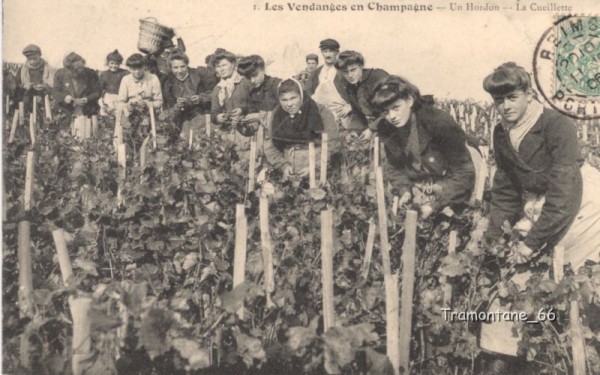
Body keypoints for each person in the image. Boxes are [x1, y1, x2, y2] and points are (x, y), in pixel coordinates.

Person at [478, 62, 600, 374]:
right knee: (515, 281)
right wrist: (494, 241)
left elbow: (565, 191)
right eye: (498, 101)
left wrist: (533, 242)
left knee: (576, 284)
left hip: (584, 205)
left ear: (529, 94)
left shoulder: (555, 124)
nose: (504, 107)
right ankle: (505, 356)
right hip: (541, 204)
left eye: (512, 98)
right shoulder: (501, 134)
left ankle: (576, 356)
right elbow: (505, 190)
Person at [368, 75, 477, 218]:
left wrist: (434, 205)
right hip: (424, 183)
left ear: (409, 100)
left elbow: (463, 173)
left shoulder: (439, 122)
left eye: (396, 108)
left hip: (457, 182)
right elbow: (394, 168)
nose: (392, 116)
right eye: (386, 112)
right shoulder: (387, 128)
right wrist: (404, 190)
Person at [264, 78, 339, 180]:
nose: (289, 104)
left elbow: (332, 144)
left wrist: (314, 167)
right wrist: (283, 166)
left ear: (301, 96)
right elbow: (270, 146)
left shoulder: (321, 112)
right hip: (289, 168)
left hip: (318, 168)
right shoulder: (276, 115)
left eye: (293, 98)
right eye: (284, 100)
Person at [305, 39, 360, 131]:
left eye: (331, 51)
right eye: (325, 51)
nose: (328, 54)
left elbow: (359, 90)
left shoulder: (344, 70)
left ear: (337, 52)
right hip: (321, 112)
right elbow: (307, 90)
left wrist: (351, 106)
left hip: (341, 114)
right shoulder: (317, 72)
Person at [161, 52, 218, 140]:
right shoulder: (168, 84)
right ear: (170, 68)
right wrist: (177, 107)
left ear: (187, 64)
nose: (179, 71)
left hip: (204, 115)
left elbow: (215, 93)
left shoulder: (200, 74)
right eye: (175, 67)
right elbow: (167, 110)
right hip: (183, 120)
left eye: (182, 66)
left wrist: (201, 98)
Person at [334, 50, 389, 133]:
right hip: (372, 127)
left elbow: (390, 110)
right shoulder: (350, 87)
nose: (350, 75)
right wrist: (353, 131)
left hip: (390, 125)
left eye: (353, 70)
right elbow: (357, 114)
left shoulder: (378, 77)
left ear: (361, 66)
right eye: (345, 72)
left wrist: (371, 129)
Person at [52, 52, 101, 137]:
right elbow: (55, 91)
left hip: (87, 111)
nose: (79, 72)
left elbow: (97, 91)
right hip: (66, 110)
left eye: (81, 69)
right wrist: (65, 97)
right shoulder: (60, 74)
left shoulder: (91, 73)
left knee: (88, 136)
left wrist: (88, 99)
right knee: (66, 136)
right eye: (75, 70)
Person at [116, 53, 163, 140]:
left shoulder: (153, 78)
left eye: (140, 68)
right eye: (133, 69)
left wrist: (147, 104)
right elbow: (121, 102)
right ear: (129, 68)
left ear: (145, 66)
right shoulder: (126, 80)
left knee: (147, 134)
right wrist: (130, 106)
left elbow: (159, 102)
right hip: (130, 113)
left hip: (148, 113)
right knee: (127, 134)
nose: (137, 72)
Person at [236, 55, 281, 137]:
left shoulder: (278, 86)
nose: (252, 81)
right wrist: (241, 123)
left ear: (263, 69)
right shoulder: (253, 92)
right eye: (248, 77)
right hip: (265, 141)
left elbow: (288, 116)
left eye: (255, 75)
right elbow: (252, 129)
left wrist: (259, 116)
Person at [210, 49, 250, 135]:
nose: (221, 69)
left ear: (233, 64)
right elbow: (214, 112)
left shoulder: (245, 82)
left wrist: (242, 110)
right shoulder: (217, 88)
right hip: (227, 132)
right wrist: (217, 117)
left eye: (224, 65)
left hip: (247, 129)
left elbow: (256, 105)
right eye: (218, 66)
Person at [16, 44, 56, 117]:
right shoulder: (22, 70)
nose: (32, 62)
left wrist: (45, 87)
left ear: (40, 56)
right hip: (28, 103)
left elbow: (55, 87)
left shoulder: (48, 69)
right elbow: (17, 89)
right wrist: (24, 87)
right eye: (29, 59)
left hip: (45, 102)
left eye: (34, 58)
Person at [98, 50, 129, 114]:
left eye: (116, 64)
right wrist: (103, 104)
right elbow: (99, 90)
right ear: (108, 63)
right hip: (108, 100)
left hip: (121, 99)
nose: (114, 66)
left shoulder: (125, 73)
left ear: (119, 64)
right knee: (107, 119)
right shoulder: (103, 74)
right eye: (112, 63)